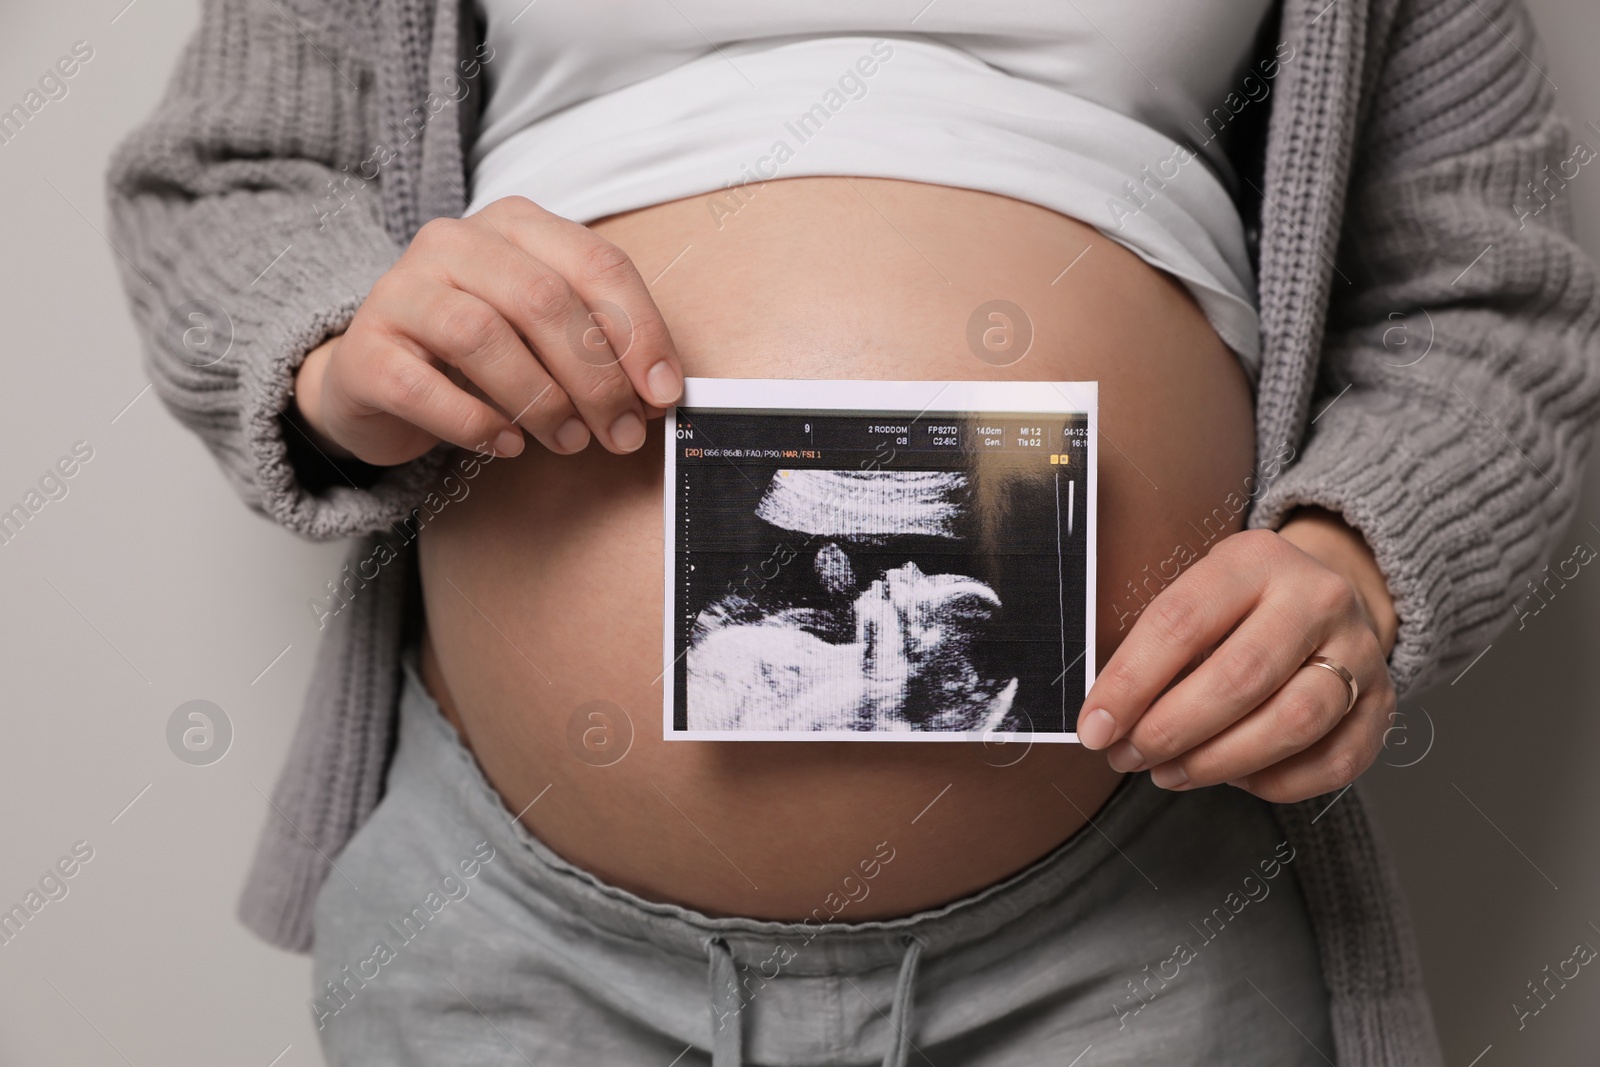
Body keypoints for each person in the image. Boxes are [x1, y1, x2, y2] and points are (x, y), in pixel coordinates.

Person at [103, 0, 1600, 1064]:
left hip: (1135, 937)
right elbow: (227, 179)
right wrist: (333, 349)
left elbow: (1493, 308)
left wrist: (1360, 561)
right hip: (520, 949)